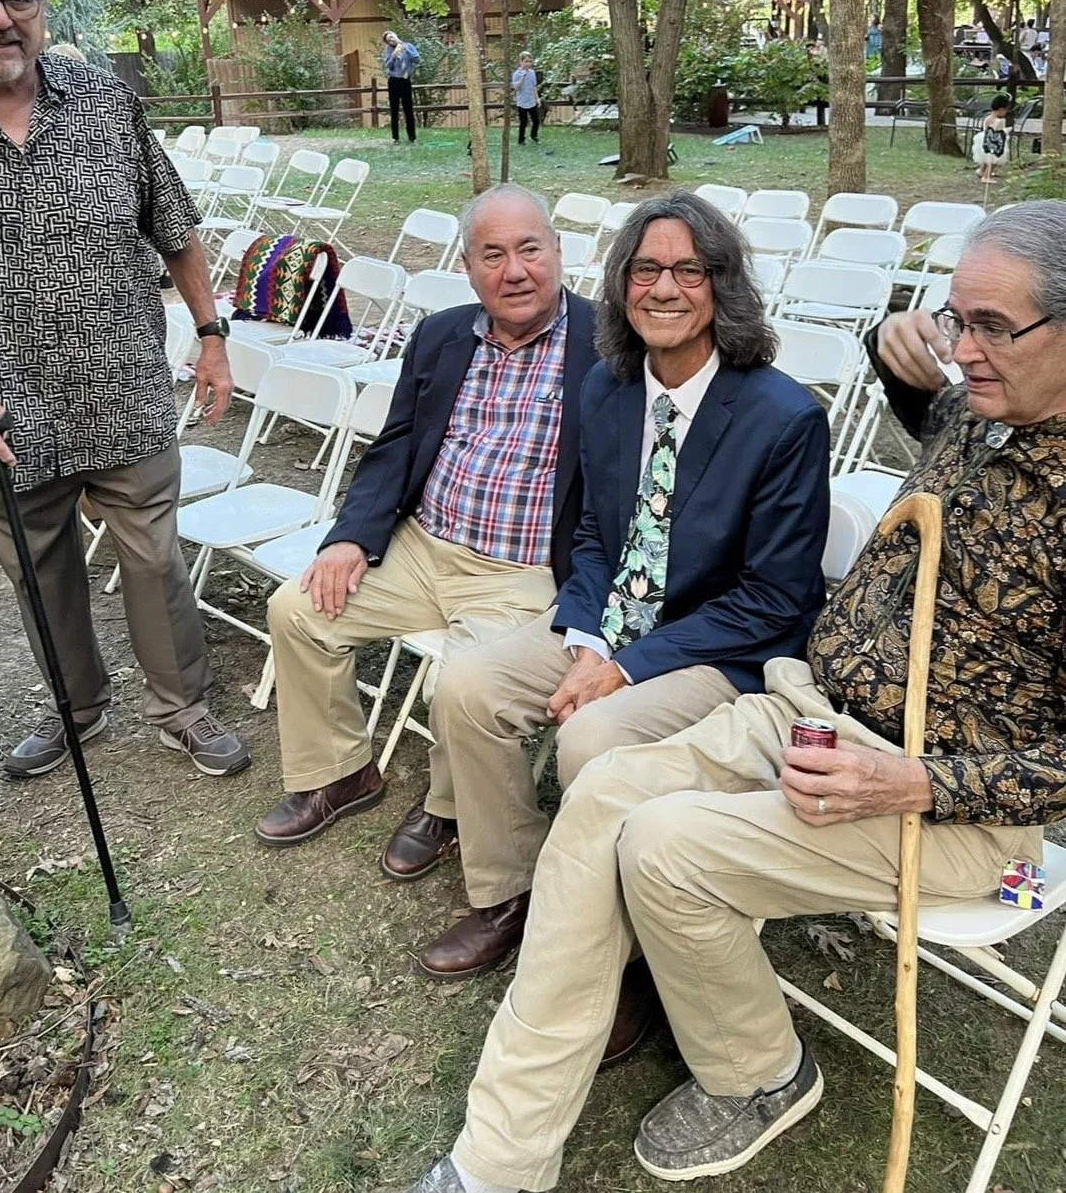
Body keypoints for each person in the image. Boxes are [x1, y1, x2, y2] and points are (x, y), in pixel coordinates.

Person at [396, 200, 1066, 1193]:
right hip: (806, 707)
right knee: (599, 796)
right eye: (952, 318)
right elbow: (956, 442)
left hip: (943, 795)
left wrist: (910, 779)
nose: (961, 349)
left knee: (658, 845)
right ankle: (495, 1156)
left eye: (990, 327)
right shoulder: (981, 409)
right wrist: (902, 365)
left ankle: (758, 1071)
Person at [395, 191, 832, 984]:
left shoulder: (782, 418)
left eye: (688, 271)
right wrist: (588, 635)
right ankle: (511, 892)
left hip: (717, 648)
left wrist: (624, 668)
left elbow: (772, 600)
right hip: (614, 623)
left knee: (591, 738)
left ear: (720, 284)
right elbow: (594, 534)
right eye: (645, 270)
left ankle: (620, 952)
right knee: (464, 685)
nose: (663, 290)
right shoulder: (608, 388)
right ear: (621, 284)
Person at [0, 0, 249, 780]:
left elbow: (175, 228)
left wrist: (211, 335)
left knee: (155, 556)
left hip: (120, 383)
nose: (0, 17)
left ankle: (183, 707)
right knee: (39, 568)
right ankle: (77, 708)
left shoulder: (103, 102)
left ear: (44, 7)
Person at [254, 187, 598, 856]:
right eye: (492, 255)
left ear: (557, 252)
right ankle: (341, 773)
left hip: (520, 570)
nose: (515, 270)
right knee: (296, 610)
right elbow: (395, 443)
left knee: (462, 686)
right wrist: (351, 535)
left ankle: (448, 809)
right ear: (468, 268)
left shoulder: (610, 347)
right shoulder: (441, 334)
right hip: (420, 545)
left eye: (529, 249)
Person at [382, 30, 420, 143]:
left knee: (408, 109)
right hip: (393, 81)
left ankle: (412, 137)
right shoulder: (388, 50)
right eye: (388, 40)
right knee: (394, 110)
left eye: (392, 37)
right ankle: (395, 138)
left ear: (396, 35)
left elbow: (416, 59)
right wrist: (393, 56)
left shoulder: (408, 46)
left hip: (405, 80)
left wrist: (402, 46)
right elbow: (388, 65)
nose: (391, 40)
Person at [973, 92, 1011, 182]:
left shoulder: (988, 117)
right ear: (1001, 109)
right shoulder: (998, 121)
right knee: (994, 160)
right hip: (993, 142)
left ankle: (981, 171)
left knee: (986, 159)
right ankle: (987, 176)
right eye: (1005, 110)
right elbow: (998, 132)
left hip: (984, 140)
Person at [511, 52, 541, 144]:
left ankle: (534, 136)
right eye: (526, 61)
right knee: (523, 122)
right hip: (522, 102)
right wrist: (522, 77)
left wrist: (537, 98)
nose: (528, 63)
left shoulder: (532, 73)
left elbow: (534, 86)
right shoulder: (517, 73)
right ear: (521, 62)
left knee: (536, 121)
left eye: (529, 61)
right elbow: (516, 88)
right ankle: (521, 140)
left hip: (531, 100)